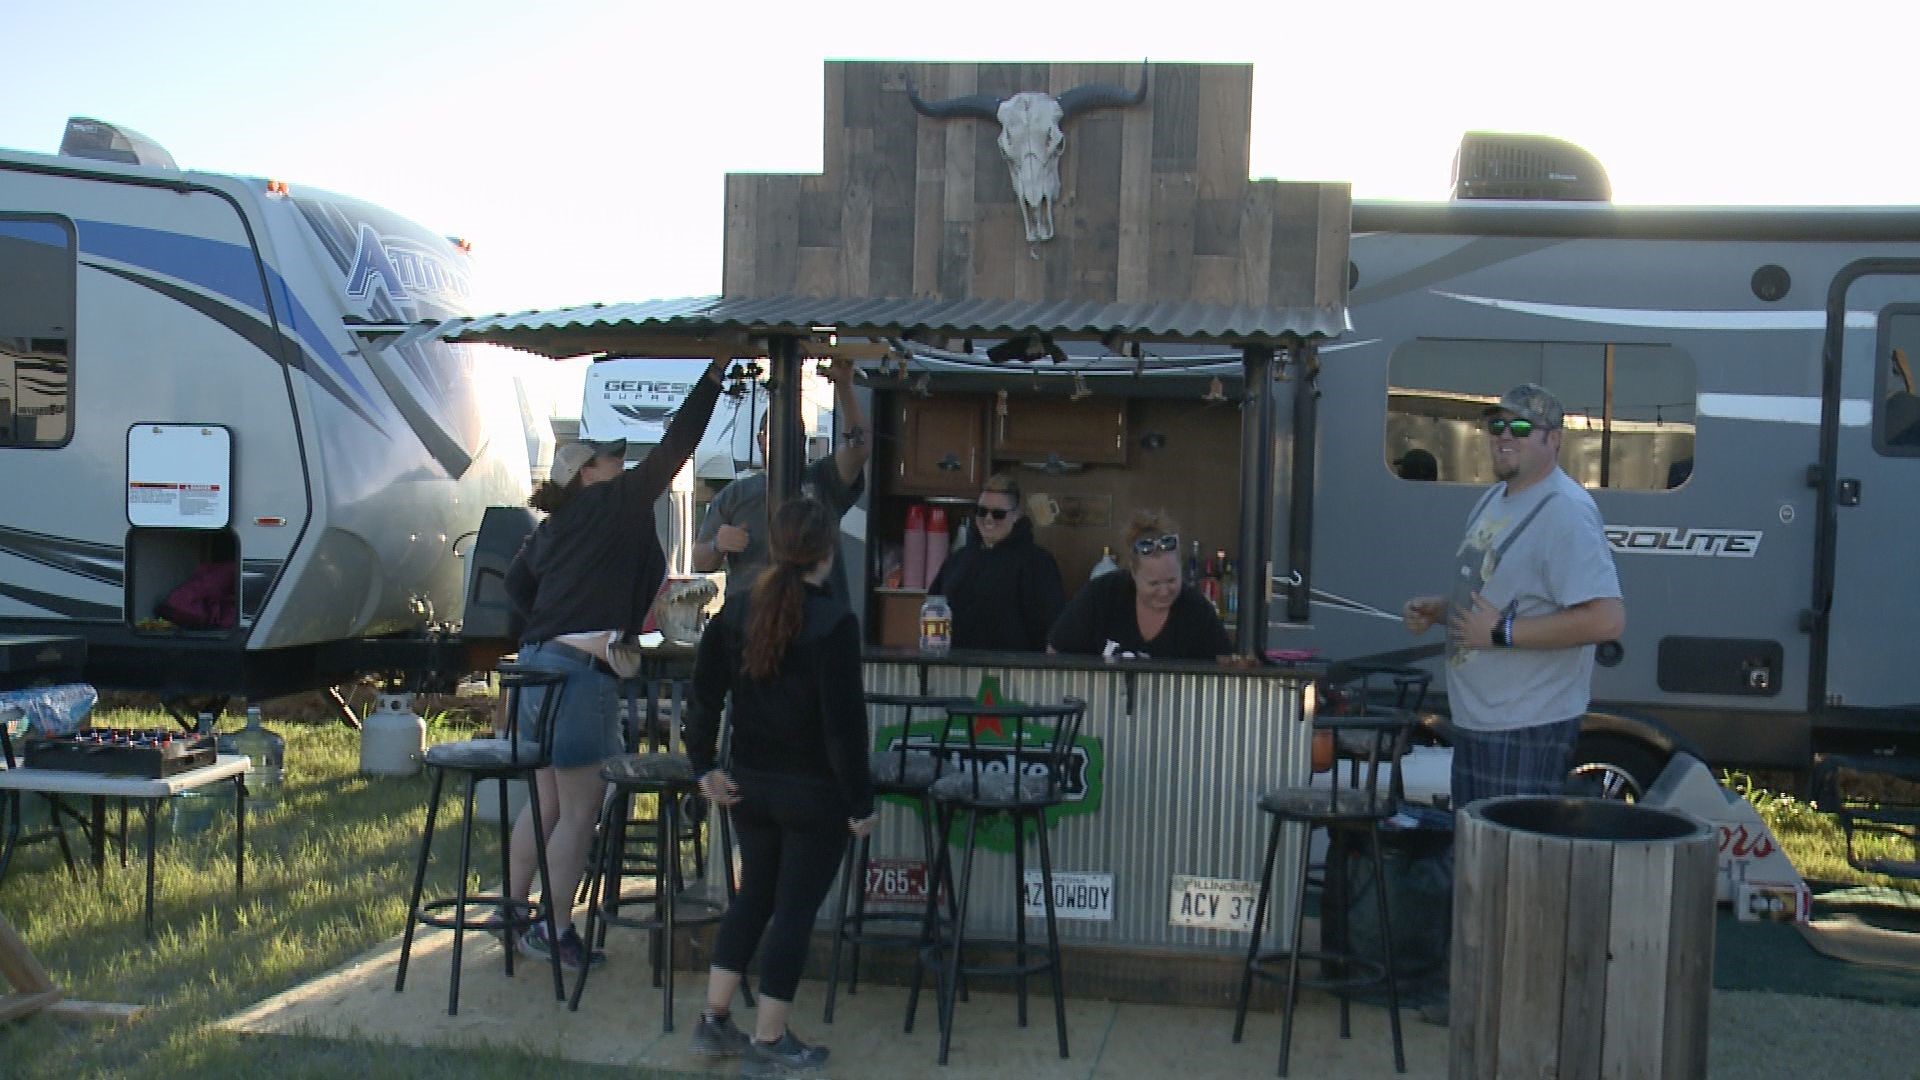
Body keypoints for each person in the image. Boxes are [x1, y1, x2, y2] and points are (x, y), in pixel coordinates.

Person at [501, 356, 727, 970]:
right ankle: (553, 929)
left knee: (545, 804)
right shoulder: (612, 503)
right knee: (579, 811)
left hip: (534, 669)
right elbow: (676, 447)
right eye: (608, 456)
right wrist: (713, 377)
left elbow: (516, 589)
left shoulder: (557, 525)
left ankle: (515, 913)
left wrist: (554, 624)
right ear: (587, 475)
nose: (621, 461)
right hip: (577, 675)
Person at [683, 498, 877, 1075]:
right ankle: (769, 1040)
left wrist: (702, 766)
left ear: (775, 545)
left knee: (754, 898)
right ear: (827, 549)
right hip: (813, 793)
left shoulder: (737, 611)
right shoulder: (835, 623)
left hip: (751, 786)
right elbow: (844, 728)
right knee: (792, 912)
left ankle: (715, 1019)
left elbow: (702, 696)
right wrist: (861, 801)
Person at [1402, 382, 1626, 811]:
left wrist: (1503, 632)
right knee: (1477, 859)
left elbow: (1606, 619)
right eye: (1497, 424)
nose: (1505, 434)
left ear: (1554, 439)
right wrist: (1440, 611)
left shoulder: (1565, 510)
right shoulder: (1495, 499)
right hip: (1478, 722)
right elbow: (1499, 598)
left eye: (1522, 426)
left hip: (1526, 728)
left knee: (1511, 868)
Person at [693, 358, 871, 604]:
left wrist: (844, 386)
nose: (786, 441)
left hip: (814, 618)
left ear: (804, 441)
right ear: (760, 440)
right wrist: (717, 544)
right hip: (750, 620)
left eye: (795, 434)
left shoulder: (824, 480)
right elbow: (699, 561)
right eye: (775, 434)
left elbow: (858, 449)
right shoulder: (735, 494)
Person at [1048, 509, 1233, 660]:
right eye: (1153, 584)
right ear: (1133, 573)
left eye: (1172, 580)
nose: (1164, 591)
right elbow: (1056, 652)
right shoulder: (1101, 595)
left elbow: (1220, 668)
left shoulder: (1197, 610)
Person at [926, 472, 1067, 651]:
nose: (988, 519)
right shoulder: (958, 559)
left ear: (1016, 515)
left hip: (1014, 671)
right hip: (955, 669)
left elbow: (1053, 627)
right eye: (981, 511)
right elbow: (933, 607)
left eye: (998, 514)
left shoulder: (1038, 563)